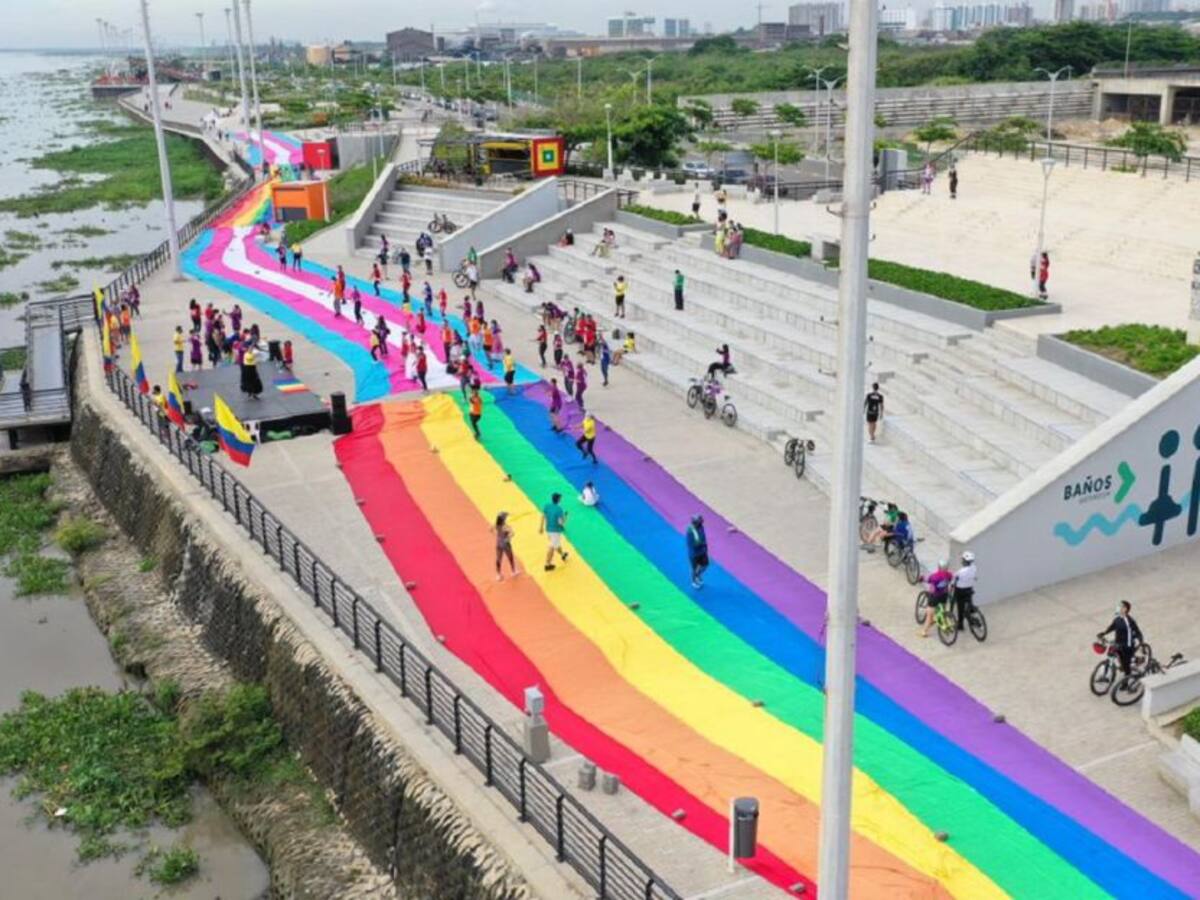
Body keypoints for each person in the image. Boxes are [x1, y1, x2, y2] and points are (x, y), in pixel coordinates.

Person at [1098, 600, 1143, 676]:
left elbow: (1137, 631)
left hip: (1127, 646)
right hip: (1118, 643)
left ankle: (1126, 682)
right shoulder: (1117, 619)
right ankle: (1131, 660)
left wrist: (1141, 642)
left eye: (1120, 606)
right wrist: (1103, 633)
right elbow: (1112, 627)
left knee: (1126, 666)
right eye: (1118, 606)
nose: (1118, 607)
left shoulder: (1129, 621)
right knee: (1113, 653)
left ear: (1125, 609)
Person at [919, 560, 954, 638]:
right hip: (944, 595)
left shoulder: (935, 576)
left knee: (929, 614)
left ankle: (924, 631)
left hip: (935, 596)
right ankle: (942, 620)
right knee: (942, 609)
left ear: (938, 567)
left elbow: (927, 580)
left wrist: (921, 578)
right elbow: (951, 579)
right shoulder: (949, 575)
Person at [539, 492, 569, 571]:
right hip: (555, 530)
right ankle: (547, 564)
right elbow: (561, 522)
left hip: (549, 529)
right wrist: (565, 517)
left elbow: (543, 516)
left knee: (556, 544)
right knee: (552, 546)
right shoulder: (559, 509)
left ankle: (562, 555)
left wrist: (541, 527)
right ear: (558, 499)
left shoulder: (547, 506)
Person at [952, 551, 977, 632]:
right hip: (969, 589)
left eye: (962, 560)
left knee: (960, 607)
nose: (962, 561)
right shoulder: (974, 567)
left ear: (965, 561)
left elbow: (954, 578)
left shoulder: (961, 571)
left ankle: (960, 625)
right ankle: (971, 611)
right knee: (969, 602)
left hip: (960, 590)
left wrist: (952, 584)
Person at [493, 512, 519, 580]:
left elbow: (490, 529)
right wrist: (507, 538)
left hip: (498, 544)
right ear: (503, 519)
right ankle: (513, 571)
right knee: (510, 557)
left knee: (498, 559)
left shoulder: (496, 525)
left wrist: (498, 536)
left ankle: (498, 574)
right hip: (505, 544)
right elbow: (513, 533)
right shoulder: (505, 526)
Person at [686, 515, 708, 589]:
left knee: (705, 565)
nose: (701, 523)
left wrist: (705, 547)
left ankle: (698, 575)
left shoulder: (701, 527)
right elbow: (693, 544)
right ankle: (694, 581)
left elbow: (703, 536)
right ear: (695, 523)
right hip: (694, 554)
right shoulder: (690, 531)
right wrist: (702, 544)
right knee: (694, 568)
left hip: (702, 551)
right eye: (700, 522)